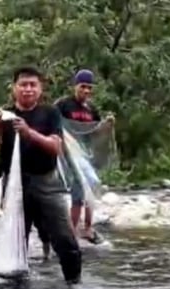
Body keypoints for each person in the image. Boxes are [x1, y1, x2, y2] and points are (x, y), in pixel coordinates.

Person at [0, 66, 82, 284]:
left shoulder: (50, 113)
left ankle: (73, 286)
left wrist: (29, 133)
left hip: (46, 182)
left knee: (64, 238)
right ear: (14, 88)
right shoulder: (3, 115)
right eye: (23, 85)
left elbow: (55, 147)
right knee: (16, 239)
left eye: (32, 85)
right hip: (13, 185)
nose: (27, 89)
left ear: (40, 89)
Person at [54, 69, 115, 244]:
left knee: (93, 184)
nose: (86, 91)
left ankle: (87, 227)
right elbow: (52, 123)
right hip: (68, 154)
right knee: (78, 192)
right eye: (83, 87)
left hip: (84, 155)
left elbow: (95, 133)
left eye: (89, 88)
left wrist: (107, 125)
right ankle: (72, 232)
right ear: (75, 86)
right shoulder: (63, 105)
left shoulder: (91, 109)